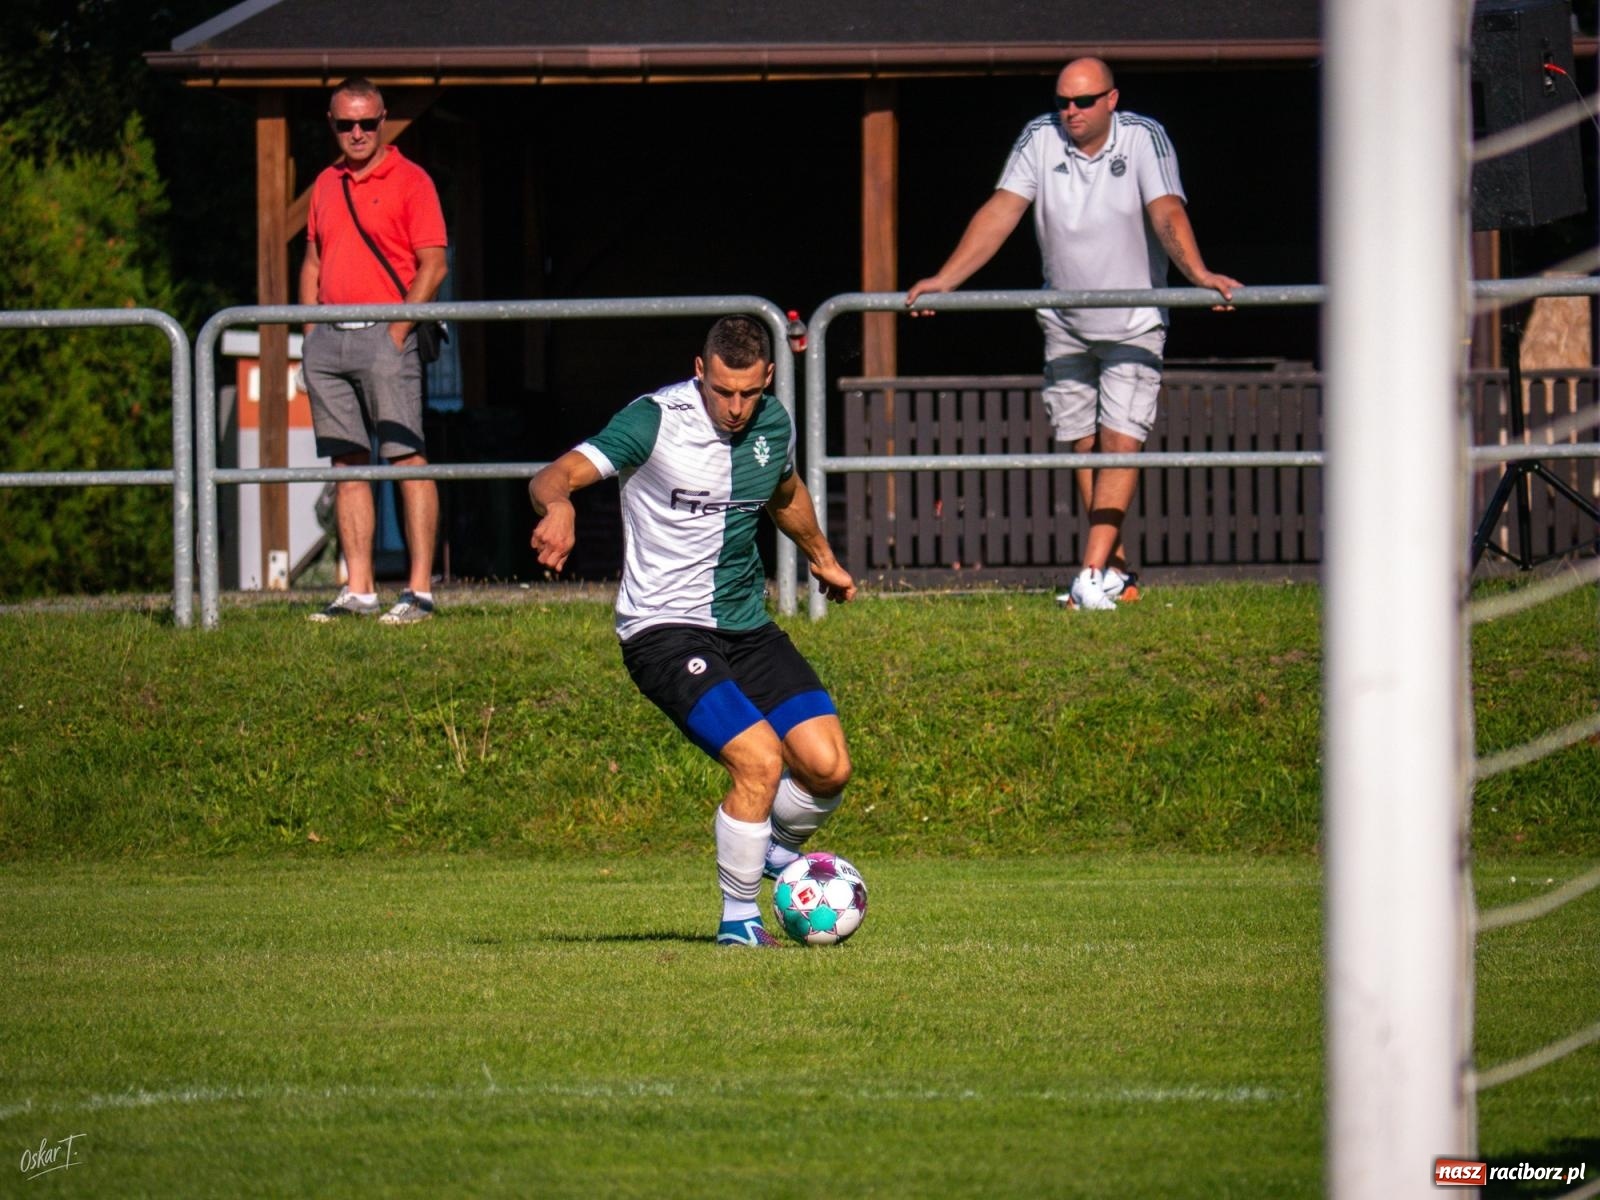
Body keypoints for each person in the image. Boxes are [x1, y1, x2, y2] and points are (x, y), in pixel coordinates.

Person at [529, 316, 856, 948]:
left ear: (767, 379)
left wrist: (822, 557)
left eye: (748, 393)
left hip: (746, 627)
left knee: (829, 767)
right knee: (759, 761)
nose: (735, 408)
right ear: (700, 371)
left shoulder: (772, 424)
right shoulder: (653, 420)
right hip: (663, 632)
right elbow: (554, 475)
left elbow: (783, 494)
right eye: (723, 391)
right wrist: (562, 506)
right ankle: (739, 922)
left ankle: (771, 849)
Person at [906, 57, 1241, 611]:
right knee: (1083, 446)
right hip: (1064, 320)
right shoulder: (1040, 137)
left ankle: (1089, 574)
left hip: (1134, 320)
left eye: (1084, 101)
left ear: (1112, 99)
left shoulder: (1143, 137)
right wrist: (946, 279)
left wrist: (1199, 274)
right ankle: (1118, 573)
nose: (1071, 111)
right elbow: (1001, 211)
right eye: (1063, 100)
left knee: (1119, 444)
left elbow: (1167, 212)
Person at [300, 76, 448, 624]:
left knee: (408, 458)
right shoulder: (324, 184)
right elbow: (313, 261)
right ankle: (359, 590)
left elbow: (434, 264)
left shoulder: (412, 180)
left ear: (383, 119)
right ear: (332, 124)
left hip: (387, 333)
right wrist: (308, 333)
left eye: (367, 122)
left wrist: (397, 329)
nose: (357, 133)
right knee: (347, 464)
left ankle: (418, 592)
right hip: (328, 337)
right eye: (346, 124)